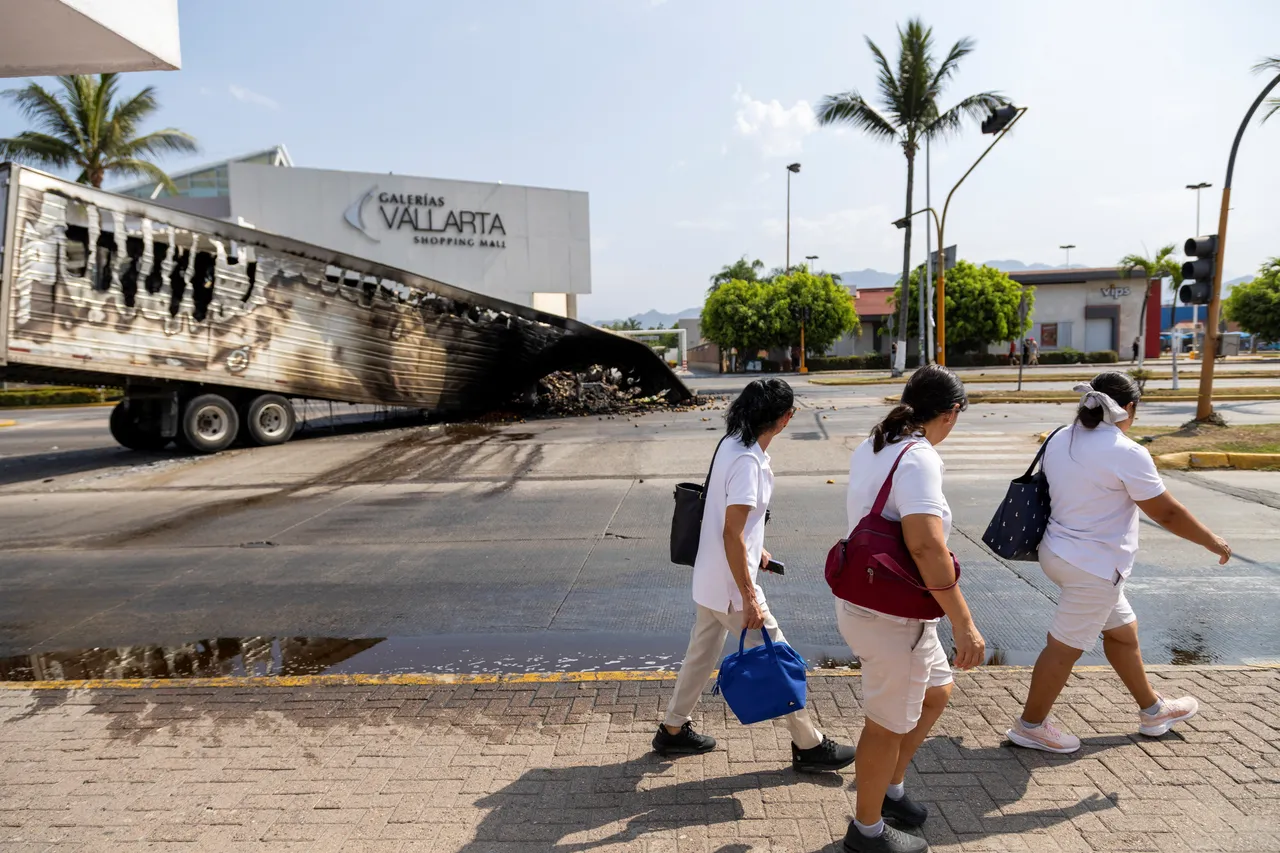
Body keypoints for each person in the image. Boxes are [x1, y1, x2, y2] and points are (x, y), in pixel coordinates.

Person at [1006, 372, 1232, 755]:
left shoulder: (1060, 436)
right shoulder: (1126, 452)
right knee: (1063, 648)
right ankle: (1030, 726)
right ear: (1129, 408)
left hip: (1058, 554)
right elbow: (1167, 513)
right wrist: (1213, 541)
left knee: (1123, 634)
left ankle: (1154, 711)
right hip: (1093, 569)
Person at [654, 378, 855, 773]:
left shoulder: (731, 443)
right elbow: (732, 532)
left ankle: (673, 729)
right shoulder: (747, 461)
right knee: (777, 659)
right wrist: (749, 597)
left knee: (700, 656)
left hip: (711, 577)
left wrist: (755, 548)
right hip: (732, 587)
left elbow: (729, 520)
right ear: (785, 418)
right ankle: (809, 745)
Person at [837, 364, 985, 853]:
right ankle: (866, 831)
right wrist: (964, 623)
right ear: (951, 412)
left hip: (876, 598)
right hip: (891, 615)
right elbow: (925, 546)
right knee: (885, 724)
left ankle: (889, 788)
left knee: (936, 691)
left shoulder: (877, 443)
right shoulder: (918, 457)